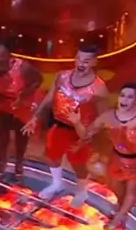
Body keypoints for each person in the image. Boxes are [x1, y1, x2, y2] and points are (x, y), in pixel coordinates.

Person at [23, 45, 109, 205]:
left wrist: (85, 139)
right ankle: (57, 183)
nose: (81, 64)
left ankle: (82, 192)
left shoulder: (99, 89)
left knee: (78, 164)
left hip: (80, 132)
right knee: (52, 155)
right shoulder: (62, 76)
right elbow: (49, 99)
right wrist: (35, 117)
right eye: (78, 59)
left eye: (86, 61)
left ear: (94, 62)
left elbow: (103, 118)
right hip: (59, 125)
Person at [84, 83, 136, 230]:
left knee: (132, 191)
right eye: (122, 95)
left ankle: (119, 218)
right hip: (117, 158)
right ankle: (123, 207)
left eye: (130, 97)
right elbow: (89, 131)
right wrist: (79, 125)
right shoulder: (109, 116)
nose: (124, 99)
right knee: (115, 188)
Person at [0, 39, 44, 181]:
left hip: (23, 101)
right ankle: (1, 166)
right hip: (4, 102)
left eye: (1, 56)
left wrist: (22, 97)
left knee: (21, 135)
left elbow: (38, 81)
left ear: (9, 56)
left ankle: (19, 165)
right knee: (2, 134)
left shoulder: (23, 68)